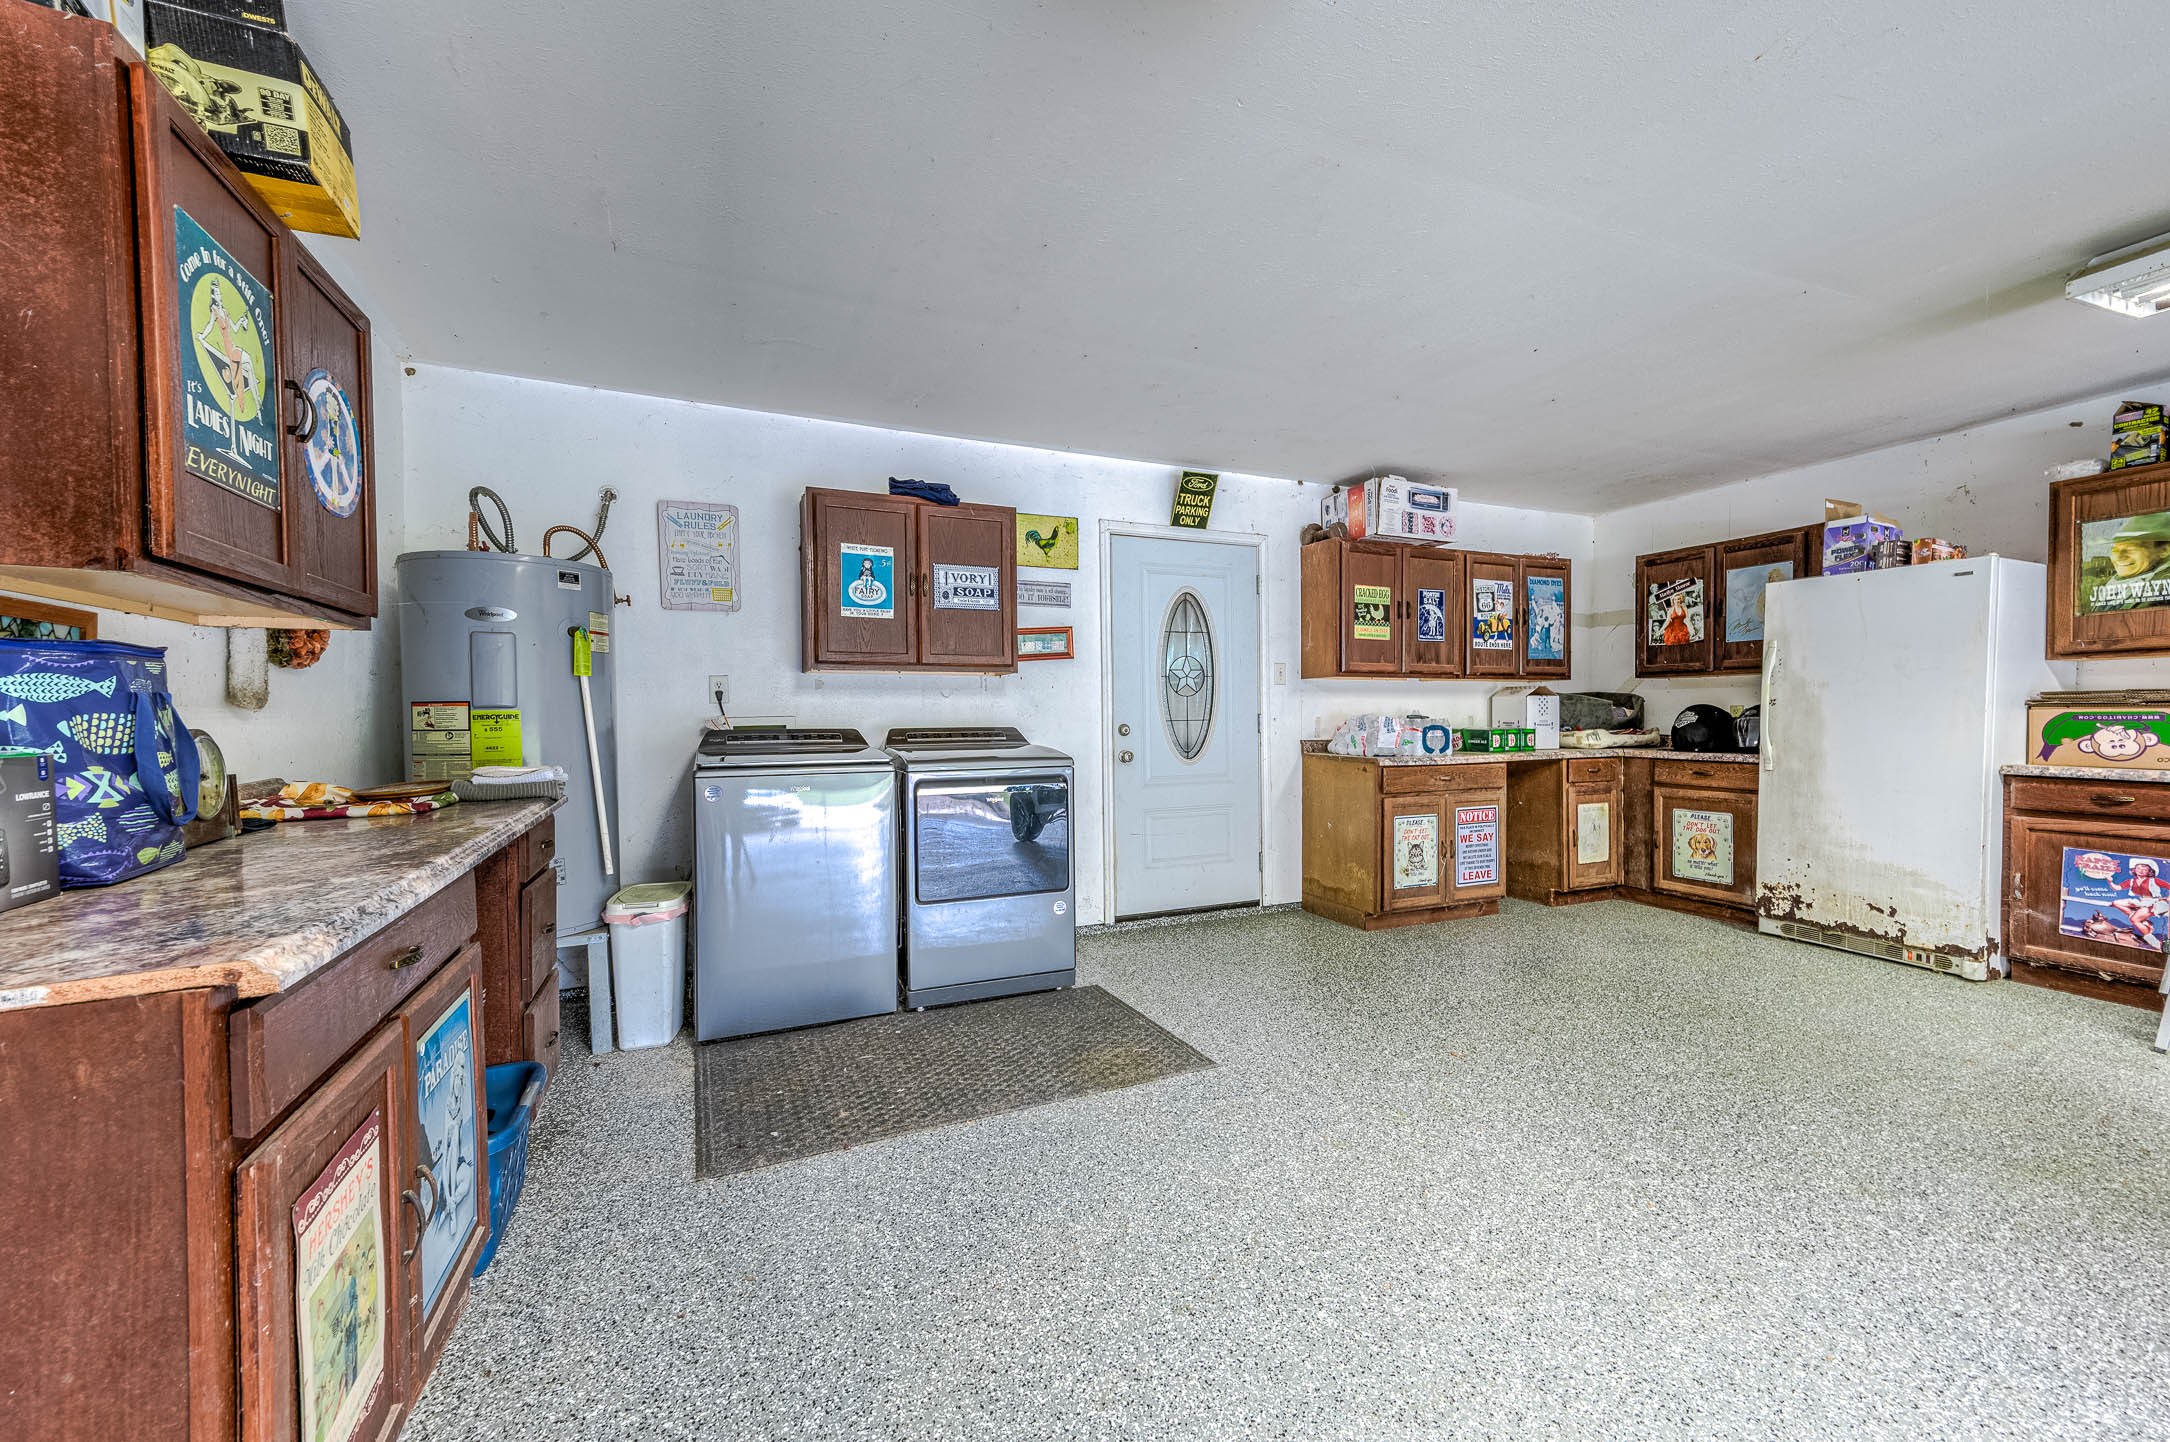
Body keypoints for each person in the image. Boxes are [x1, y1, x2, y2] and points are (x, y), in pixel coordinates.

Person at [2092, 513, 2170, 611]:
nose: (2119, 557)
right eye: (2115, 550)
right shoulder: (2114, 584)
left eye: (2131, 549)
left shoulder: (2162, 588)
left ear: (2164, 551)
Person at [2109, 858, 2170, 950]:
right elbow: (2117, 888)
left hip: (2156, 903)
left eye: (2144, 869)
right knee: (2116, 903)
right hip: (2142, 902)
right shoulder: (2131, 881)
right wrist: (2110, 881)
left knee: (2134, 919)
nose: (2141, 871)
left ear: (2149, 871)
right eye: (2139, 868)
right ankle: (2144, 921)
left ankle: (2155, 943)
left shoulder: (2154, 880)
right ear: (2134, 870)